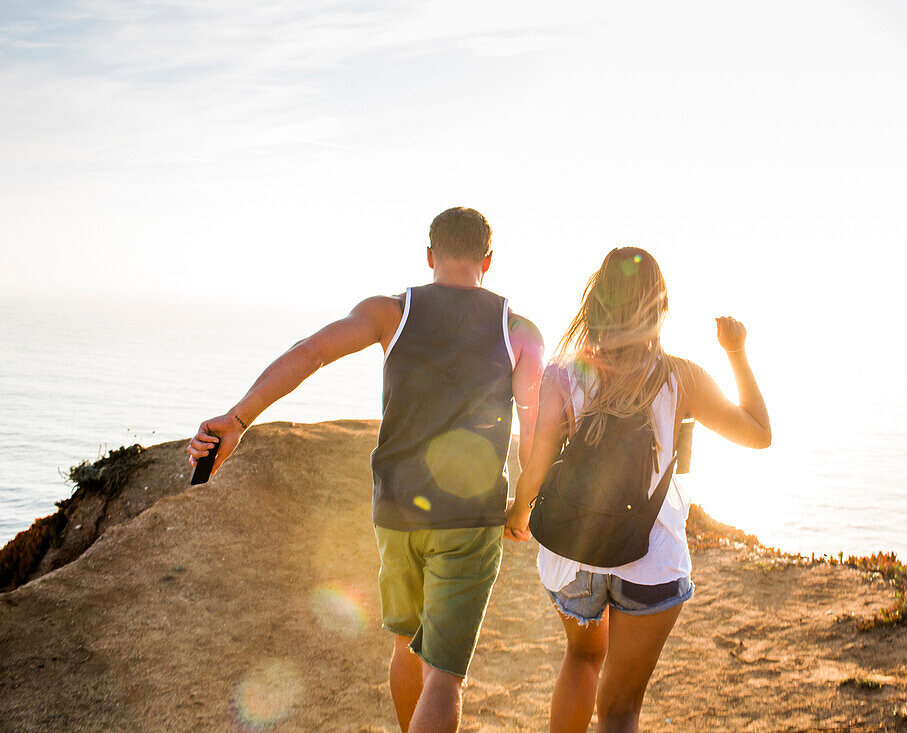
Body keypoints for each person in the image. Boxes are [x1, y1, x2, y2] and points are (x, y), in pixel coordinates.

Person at [186, 207, 544, 733]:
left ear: (429, 255)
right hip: (469, 520)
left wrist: (238, 419)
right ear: (488, 260)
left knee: (406, 645)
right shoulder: (518, 329)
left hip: (395, 513)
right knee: (444, 675)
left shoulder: (389, 313)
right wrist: (522, 508)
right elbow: (533, 428)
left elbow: (309, 353)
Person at [504, 247, 770, 733]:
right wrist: (735, 352)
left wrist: (519, 514)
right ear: (660, 307)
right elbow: (758, 433)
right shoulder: (679, 376)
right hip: (652, 559)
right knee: (621, 708)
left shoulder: (565, 373)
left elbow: (536, 465)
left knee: (582, 661)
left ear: (596, 303)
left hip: (573, 555)